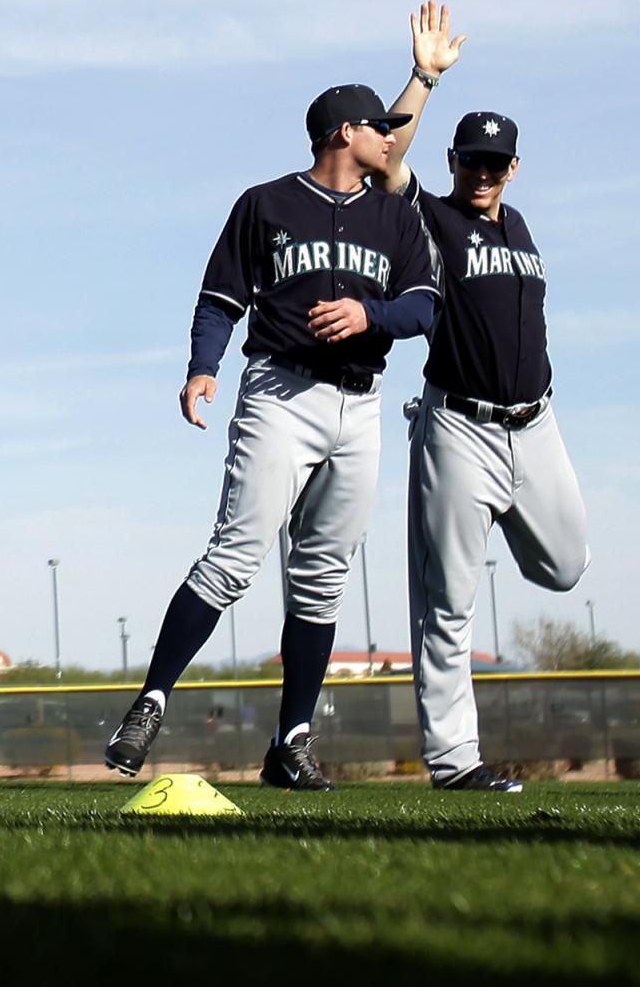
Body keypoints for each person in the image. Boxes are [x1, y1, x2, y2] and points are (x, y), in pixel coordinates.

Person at [104, 84, 437, 789]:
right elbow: (221, 299)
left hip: (361, 404)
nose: (393, 138)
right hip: (280, 394)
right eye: (383, 127)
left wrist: (371, 315)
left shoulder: (395, 216)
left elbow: (426, 307)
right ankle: (149, 704)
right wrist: (202, 368)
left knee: (321, 583)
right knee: (234, 557)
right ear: (345, 132)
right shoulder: (265, 204)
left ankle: (291, 744)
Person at [374, 3, 588, 792]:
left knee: (568, 567)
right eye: (473, 162)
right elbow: (384, 157)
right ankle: (455, 762)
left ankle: (500, 522)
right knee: (447, 608)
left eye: (497, 164)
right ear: (456, 161)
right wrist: (424, 77)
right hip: (458, 428)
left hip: (536, 426)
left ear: (514, 168)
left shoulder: (520, 225)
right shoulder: (431, 218)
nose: (484, 175)